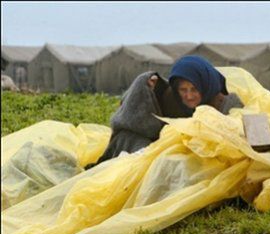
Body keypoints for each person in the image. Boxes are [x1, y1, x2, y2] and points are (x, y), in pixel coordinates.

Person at [94, 55, 244, 165]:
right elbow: (135, 121)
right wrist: (147, 88)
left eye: (194, 89)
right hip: (163, 147)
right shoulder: (169, 97)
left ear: (205, 86)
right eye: (183, 90)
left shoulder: (223, 102)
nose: (189, 96)